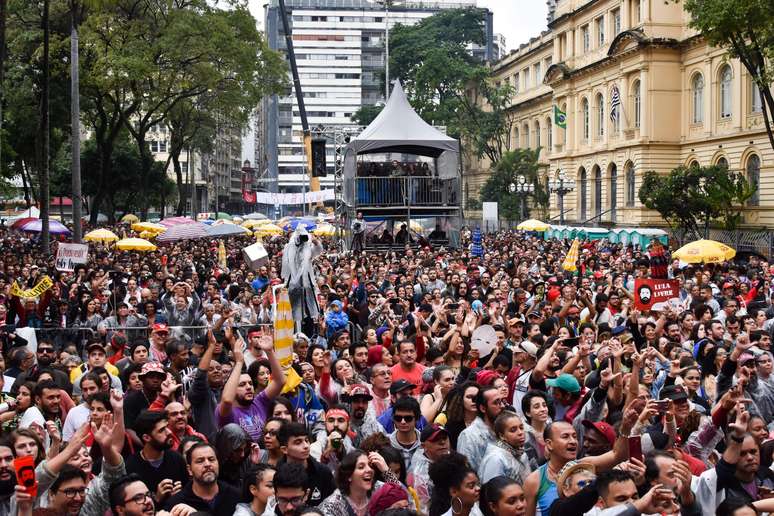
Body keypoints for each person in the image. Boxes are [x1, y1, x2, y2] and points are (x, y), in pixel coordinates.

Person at [217, 332, 286, 442]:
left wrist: (269, 351)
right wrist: (239, 362)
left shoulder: (259, 402)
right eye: (242, 385)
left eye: (250, 383)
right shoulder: (227, 412)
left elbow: (280, 381)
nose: (249, 387)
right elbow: (227, 400)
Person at [123, 409, 188, 506]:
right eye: (162, 430)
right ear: (146, 438)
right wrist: (156, 499)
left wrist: (180, 494)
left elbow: (189, 494)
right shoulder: (132, 466)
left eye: (167, 427)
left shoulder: (177, 459)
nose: (169, 432)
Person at [163, 441, 241, 513]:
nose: (207, 464)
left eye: (211, 459)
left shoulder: (236, 496)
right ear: (189, 470)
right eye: (200, 461)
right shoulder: (176, 504)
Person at [318, 450, 394, 516]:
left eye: (370, 466)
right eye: (361, 467)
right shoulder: (333, 504)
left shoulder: (378, 489)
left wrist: (386, 470)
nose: (369, 470)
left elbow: (403, 496)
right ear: (349, 476)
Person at [277, 422, 335, 506]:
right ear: (284, 449)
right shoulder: (276, 473)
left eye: (306, 440)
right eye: (298, 442)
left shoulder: (323, 472)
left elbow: (333, 505)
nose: (306, 446)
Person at [457, 385, 504, 471]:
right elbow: (466, 471)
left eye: (502, 401)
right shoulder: (469, 436)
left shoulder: (504, 429)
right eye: (496, 403)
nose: (502, 406)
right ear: (483, 408)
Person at [408, 423, 451, 514]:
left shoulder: (450, 458)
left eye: (444, 438)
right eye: (436, 440)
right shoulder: (420, 474)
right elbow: (422, 510)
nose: (442, 442)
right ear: (424, 446)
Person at [478, 411, 532, 485]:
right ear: (502, 436)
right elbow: (494, 491)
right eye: (513, 430)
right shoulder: (495, 459)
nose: (520, 432)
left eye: (521, 428)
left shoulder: (521, 452)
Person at [428, 451, 482, 516]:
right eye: (471, 486)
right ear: (454, 491)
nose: (478, 488)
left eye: (478, 484)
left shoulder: (475, 508)